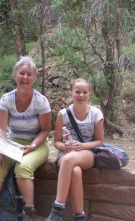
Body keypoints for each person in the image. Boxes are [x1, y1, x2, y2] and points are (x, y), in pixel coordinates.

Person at [0, 56, 51, 221]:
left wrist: (32, 146)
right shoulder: (6, 99)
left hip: (37, 144)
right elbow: (1, 128)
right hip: (12, 142)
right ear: (15, 75)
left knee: (23, 168)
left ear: (34, 78)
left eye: (29, 74)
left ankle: (29, 212)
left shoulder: (41, 101)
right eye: (21, 73)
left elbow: (46, 130)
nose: (25, 78)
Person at [45, 78, 105, 221]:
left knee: (69, 160)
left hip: (87, 153)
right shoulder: (63, 114)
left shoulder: (96, 114)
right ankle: (79, 216)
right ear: (71, 93)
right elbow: (57, 142)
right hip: (66, 153)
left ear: (89, 93)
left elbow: (100, 141)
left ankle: (57, 208)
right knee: (75, 171)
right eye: (77, 92)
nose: (81, 96)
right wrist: (63, 146)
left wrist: (83, 146)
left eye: (85, 92)